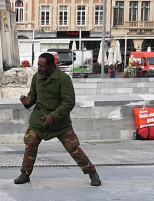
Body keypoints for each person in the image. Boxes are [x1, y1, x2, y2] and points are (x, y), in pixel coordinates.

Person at [15, 53, 101, 186]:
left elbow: (69, 102)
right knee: (30, 143)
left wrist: (54, 116)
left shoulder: (63, 79)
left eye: (42, 66)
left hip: (60, 123)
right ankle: (24, 174)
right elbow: (32, 97)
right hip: (38, 121)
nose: (40, 68)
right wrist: (26, 101)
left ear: (51, 66)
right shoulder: (37, 77)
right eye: (38, 65)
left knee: (73, 148)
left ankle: (92, 172)